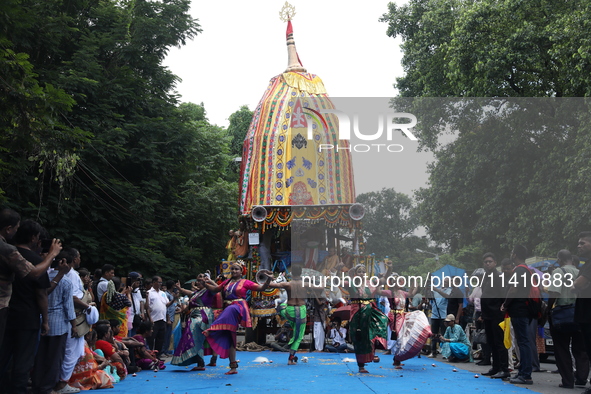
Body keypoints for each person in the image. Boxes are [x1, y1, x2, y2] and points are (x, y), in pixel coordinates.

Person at [0, 220, 52, 393]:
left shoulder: (7, 252)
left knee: (4, 357)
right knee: (23, 361)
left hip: (6, 313)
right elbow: (41, 293)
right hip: (27, 317)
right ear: (34, 238)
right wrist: (45, 320)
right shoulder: (29, 259)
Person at [0, 208, 62, 348]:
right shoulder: (8, 250)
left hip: (11, 313)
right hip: (17, 314)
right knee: (22, 361)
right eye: (15, 228)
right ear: (8, 229)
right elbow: (34, 275)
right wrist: (52, 254)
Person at [203, 261, 272, 375]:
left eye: (237, 269)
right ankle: (233, 366)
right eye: (233, 269)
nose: (234, 271)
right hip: (228, 309)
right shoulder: (227, 282)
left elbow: (261, 288)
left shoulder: (245, 282)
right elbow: (216, 289)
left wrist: (268, 280)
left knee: (230, 309)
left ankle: (212, 328)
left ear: (242, 271)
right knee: (230, 338)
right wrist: (205, 284)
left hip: (238, 308)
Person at [31, 250, 79, 394]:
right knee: (55, 358)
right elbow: (68, 306)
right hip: (59, 324)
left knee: (40, 356)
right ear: (64, 263)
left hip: (41, 321)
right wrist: (74, 325)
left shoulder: (42, 277)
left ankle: (37, 385)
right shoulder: (65, 281)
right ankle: (48, 387)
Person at [548, 249, 589, 389]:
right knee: (580, 349)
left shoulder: (558, 272)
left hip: (562, 314)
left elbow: (554, 292)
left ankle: (568, 381)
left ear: (559, 259)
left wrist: (548, 309)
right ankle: (582, 379)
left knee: (561, 349)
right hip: (579, 313)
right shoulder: (581, 272)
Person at [344, 264, 389, 374]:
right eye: (359, 271)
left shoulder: (370, 282)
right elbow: (340, 283)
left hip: (370, 311)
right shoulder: (352, 282)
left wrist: (389, 269)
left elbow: (383, 280)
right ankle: (361, 366)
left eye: (363, 271)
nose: (362, 273)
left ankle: (373, 353)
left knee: (377, 328)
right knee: (359, 339)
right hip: (357, 314)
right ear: (355, 273)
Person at [171, 273, 218, 370]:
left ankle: (201, 363)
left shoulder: (208, 291)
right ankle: (200, 361)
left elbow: (218, 288)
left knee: (194, 337)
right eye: (198, 281)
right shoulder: (197, 293)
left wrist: (210, 281)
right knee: (193, 338)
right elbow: (188, 292)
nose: (198, 282)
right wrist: (180, 289)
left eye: (201, 280)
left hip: (203, 316)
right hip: (194, 315)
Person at [502, 245, 534, 385]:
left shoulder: (519, 270)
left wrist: (505, 304)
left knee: (523, 342)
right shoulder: (525, 270)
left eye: (512, 252)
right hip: (523, 309)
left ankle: (526, 374)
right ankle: (522, 372)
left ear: (515, 255)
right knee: (522, 342)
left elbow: (513, 289)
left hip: (519, 310)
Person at [267, 264, 307, 364]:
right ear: (301, 273)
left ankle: (281, 312)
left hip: (289, 311)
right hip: (301, 311)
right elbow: (320, 288)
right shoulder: (305, 284)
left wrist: (269, 278)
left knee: (281, 306)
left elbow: (271, 285)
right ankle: (291, 358)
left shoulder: (287, 284)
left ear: (292, 273)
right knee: (298, 337)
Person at [480, 253, 510, 379]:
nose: (488, 263)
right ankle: (496, 367)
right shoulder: (486, 276)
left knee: (499, 342)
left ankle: (504, 369)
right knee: (491, 342)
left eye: (490, 261)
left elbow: (503, 294)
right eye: (486, 261)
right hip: (487, 314)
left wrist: (503, 310)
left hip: (496, 314)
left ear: (495, 263)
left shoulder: (498, 276)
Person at [575, 232, 591, 394]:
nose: (579, 246)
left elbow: (579, 284)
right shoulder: (585, 264)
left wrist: (573, 285)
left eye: (583, 243)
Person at [145, 276, 173, 358]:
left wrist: (174, 299)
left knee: (160, 338)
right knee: (151, 338)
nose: (160, 284)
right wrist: (150, 318)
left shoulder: (162, 293)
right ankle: (150, 354)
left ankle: (158, 355)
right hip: (154, 318)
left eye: (161, 282)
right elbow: (147, 307)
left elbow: (167, 304)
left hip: (162, 318)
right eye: (159, 282)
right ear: (154, 282)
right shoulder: (149, 292)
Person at [429, 276, 451, 358]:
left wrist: (437, 290)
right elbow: (431, 299)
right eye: (444, 281)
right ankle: (433, 351)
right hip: (434, 314)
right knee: (434, 333)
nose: (445, 283)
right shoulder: (435, 290)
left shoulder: (449, 290)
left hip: (443, 315)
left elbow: (447, 296)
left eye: (447, 282)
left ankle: (444, 352)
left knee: (443, 334)